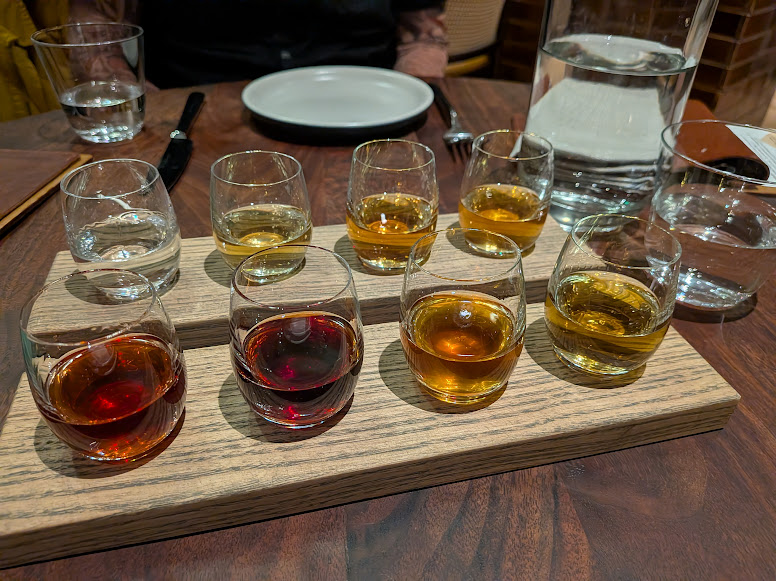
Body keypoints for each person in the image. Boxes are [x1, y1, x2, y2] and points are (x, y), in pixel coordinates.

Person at [70, 0, 448, 89]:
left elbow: (422, 23)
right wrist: (136, 104)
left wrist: (409, 96)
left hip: (366, 91)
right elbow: (93, 13)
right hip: (192, 97)